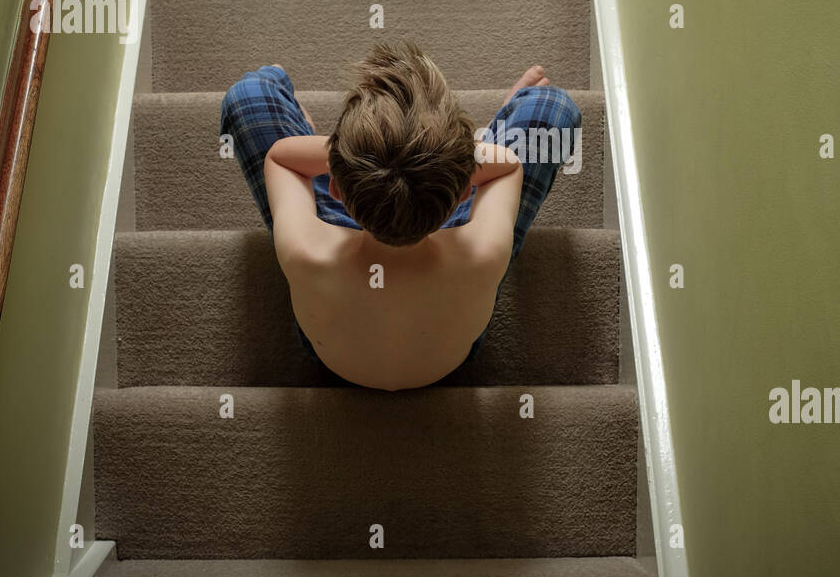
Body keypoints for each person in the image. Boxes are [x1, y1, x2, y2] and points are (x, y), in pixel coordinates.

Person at [219, 41, 581, 390]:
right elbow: (506, 166)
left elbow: (282, 157)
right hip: (450, 347)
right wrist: (449, 156)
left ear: (335, 187)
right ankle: (488, 136)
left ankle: (345, 150)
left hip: (330, 355)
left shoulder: (306, 248)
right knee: (554, 108)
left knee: (249, 96)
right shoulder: (483, 251)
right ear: (464, 193)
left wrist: (351, 158)